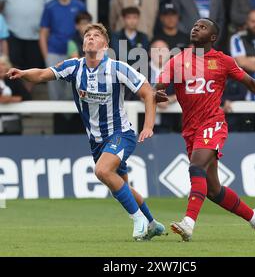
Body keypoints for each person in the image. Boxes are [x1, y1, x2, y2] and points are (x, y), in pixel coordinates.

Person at [7, 23, 166, 241]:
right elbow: (43, 75)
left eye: (96, 35)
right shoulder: (74, 67)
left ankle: (137, 219)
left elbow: (148, 93)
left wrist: (148, 126)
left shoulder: (117, 68)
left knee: (102, 171)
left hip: (121, 133)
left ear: (106, 45)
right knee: (120, 186)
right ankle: (153, 223)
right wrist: (23, 73)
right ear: (82, 45)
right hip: (96, 141)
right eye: (87, 36)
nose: (90, 38)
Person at [155, 17, 255, 241]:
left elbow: (250, 83)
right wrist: (156, 92)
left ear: (213, 37)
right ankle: (253, 217)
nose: (195, 28)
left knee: (196, 166)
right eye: (194, 25)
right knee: (213, 190)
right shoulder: (178, 61)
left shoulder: (223, 61)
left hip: (213, 123)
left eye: (202, 27)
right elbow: (157, 85)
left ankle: (188, 223)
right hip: (190, 128)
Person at [0, 0, 54, 81]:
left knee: (34, 68)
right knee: (12, 67)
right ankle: (19, 94)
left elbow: (50, 9)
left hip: (36, 34)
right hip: (11, 33)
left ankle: (26, 96)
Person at [39, 0, 86, 100]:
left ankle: (72, 120)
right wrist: (46, 56)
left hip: (74, 52)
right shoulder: (50, 6)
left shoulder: (79, 5)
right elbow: (43, 33)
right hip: (54, 51)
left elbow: (85, 29)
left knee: (73, 89)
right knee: (54, 91)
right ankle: (57, 120)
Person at [0, 55, 31, 135]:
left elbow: (26, 96)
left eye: (3, 64)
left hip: (12, 123)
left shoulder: (14, 80)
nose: (0, 68)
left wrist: (10, 99)